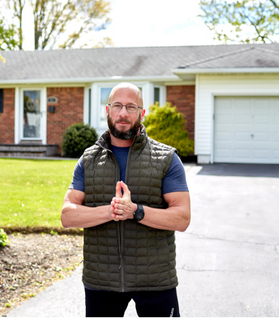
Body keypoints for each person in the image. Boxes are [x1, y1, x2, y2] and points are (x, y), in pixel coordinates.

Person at [61, 82, 191, 317]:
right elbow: (67, 215)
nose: (123, 113)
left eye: (131, 107)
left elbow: (181, 218)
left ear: (142, 113)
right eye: (117, 106)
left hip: (156, 280)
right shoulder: (88, 159)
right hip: (101, 280)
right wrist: (112, 211)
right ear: (107, 110)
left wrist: (135, 211)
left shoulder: (167, 158)